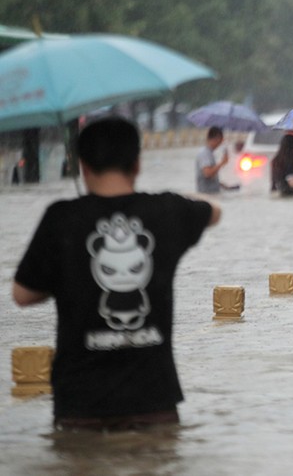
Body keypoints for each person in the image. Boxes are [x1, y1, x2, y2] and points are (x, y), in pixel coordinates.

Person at [12, 116, 221, 431]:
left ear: (81, 165)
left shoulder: (61, 218)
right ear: (137, 163)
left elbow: (23, 294)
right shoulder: (166, 211)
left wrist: (69, 275)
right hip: (154, 403)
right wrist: (180, 196)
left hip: (81, 405)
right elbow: (214, 212)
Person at [195, 126, 230, 194]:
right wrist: (222, 162)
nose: (221, 143)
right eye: (221, 140)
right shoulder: (204, 153)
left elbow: (211, 176)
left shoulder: (209, 153)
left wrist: (220, 185)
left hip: (212, 193)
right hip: (207, 195)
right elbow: (207, 173)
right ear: (217, 138)